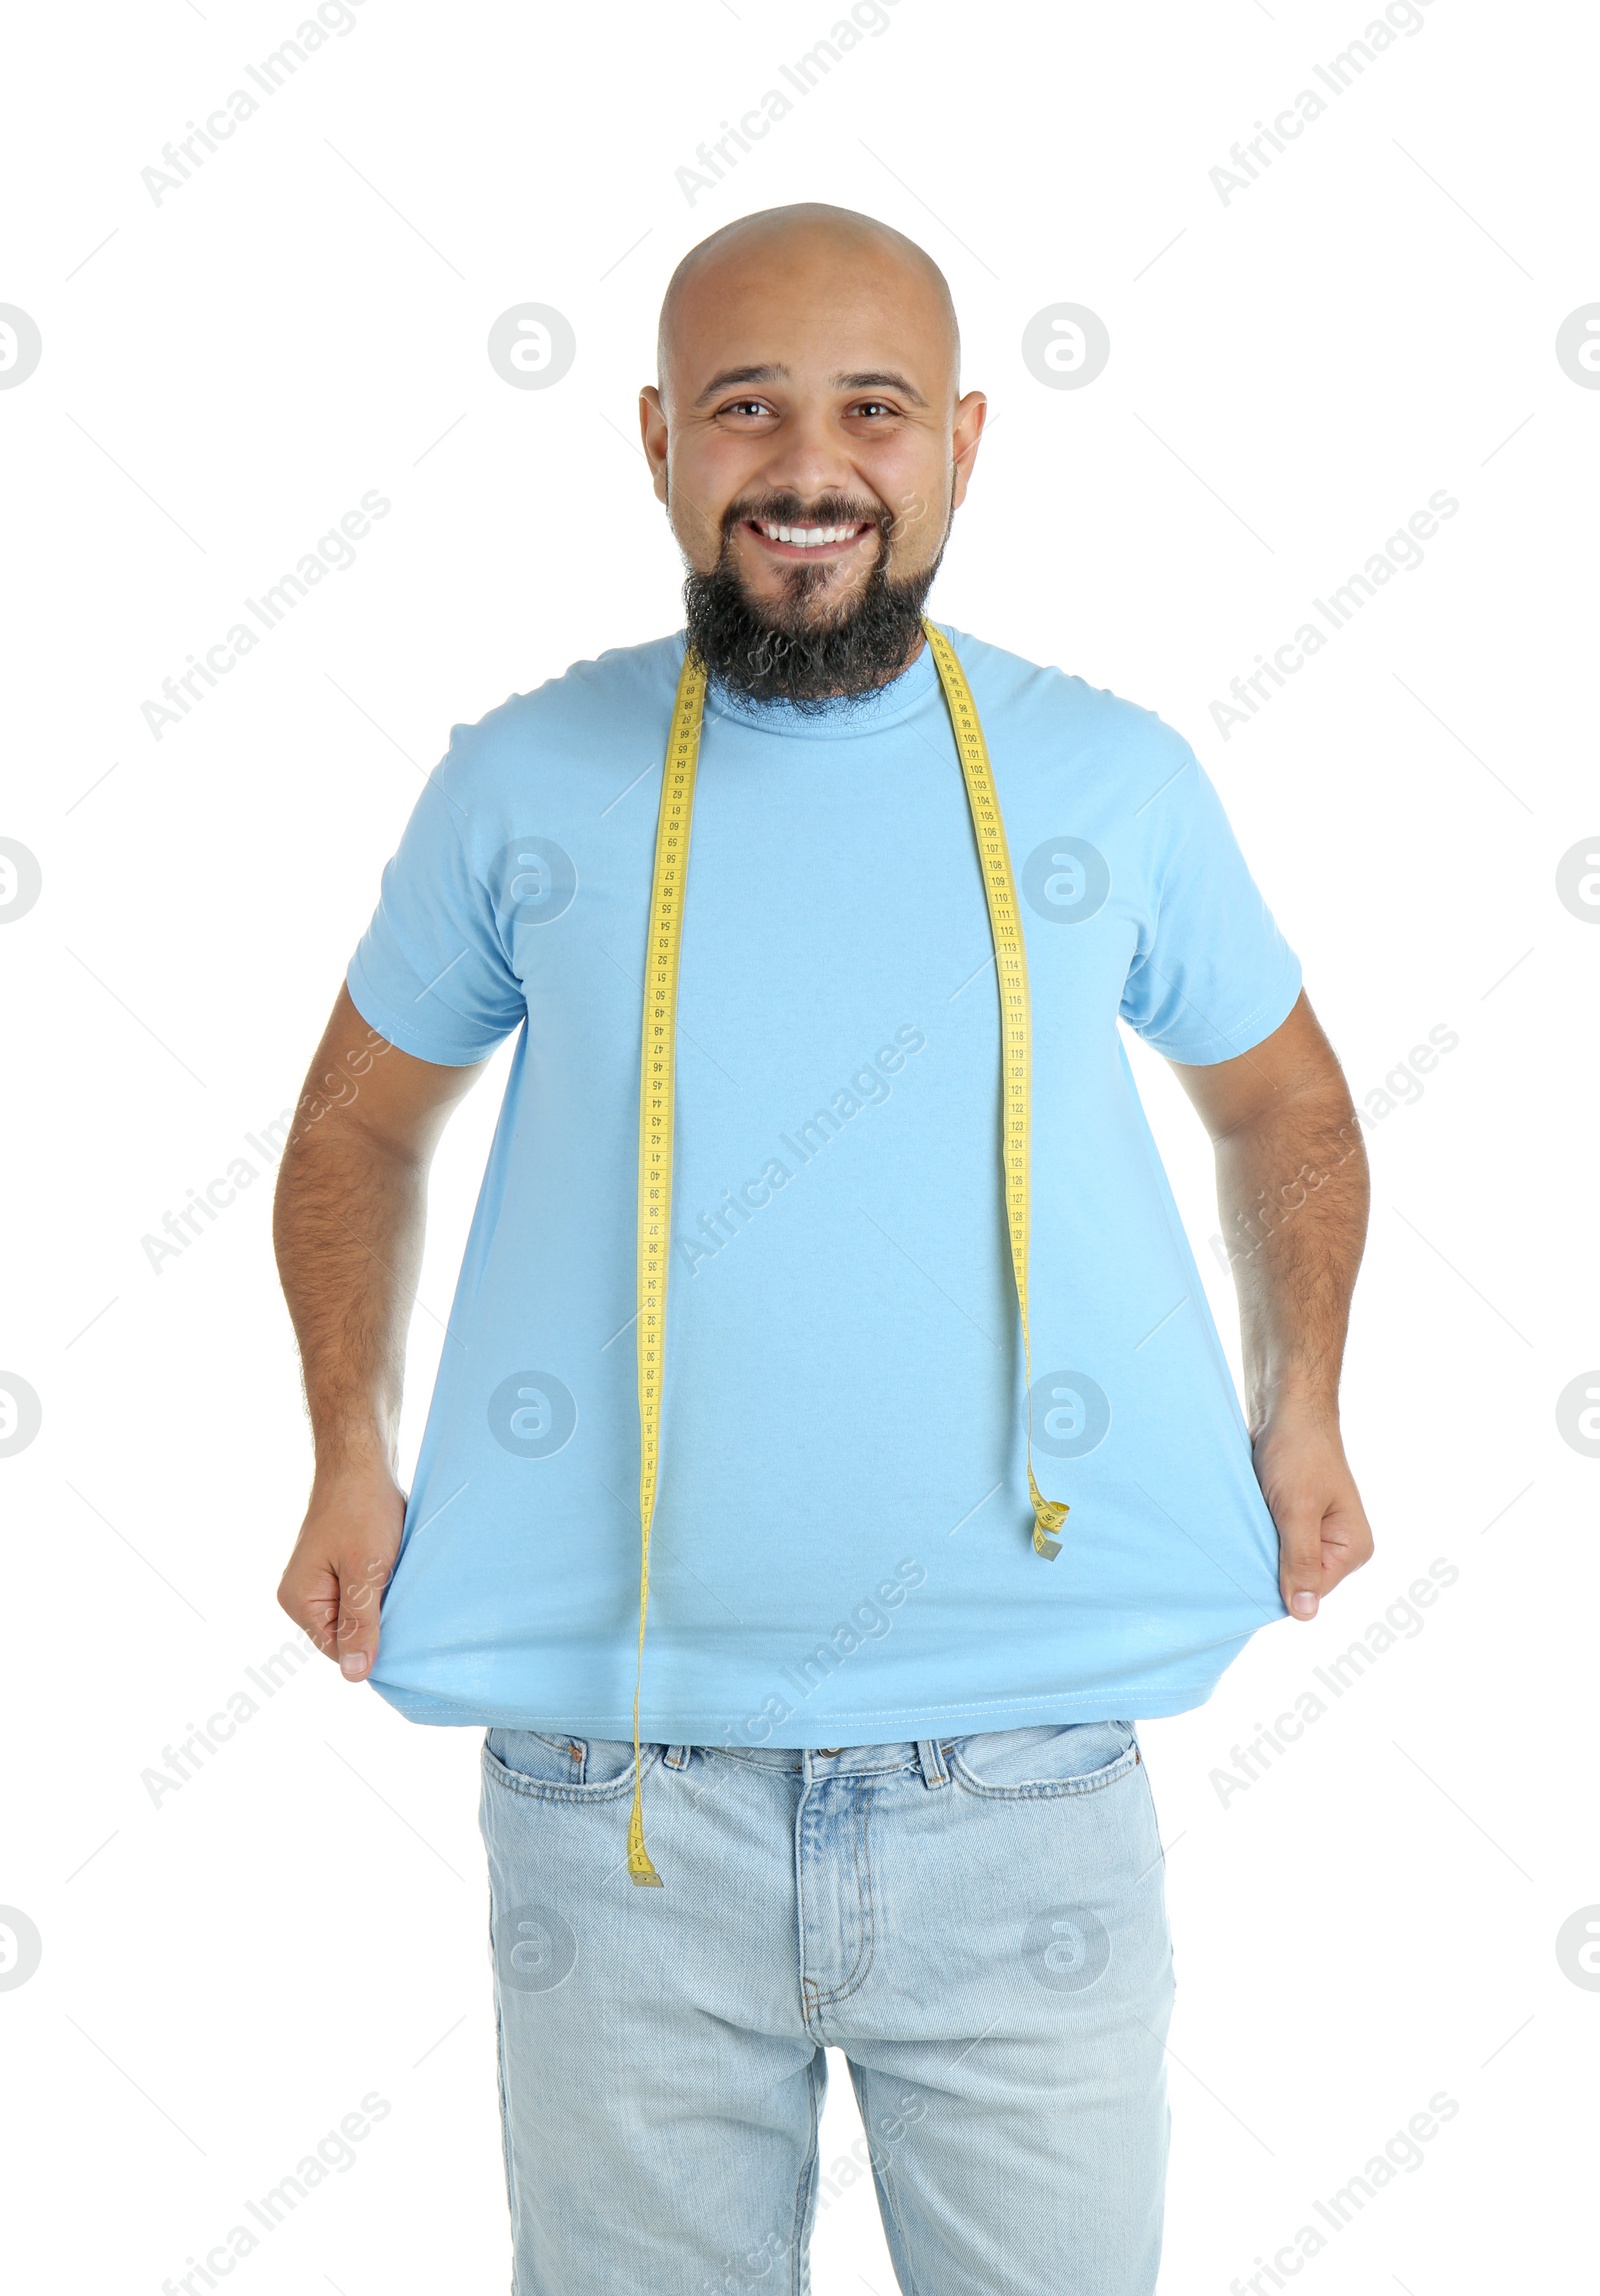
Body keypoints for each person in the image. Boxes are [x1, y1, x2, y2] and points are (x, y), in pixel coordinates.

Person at [273, 202, 1373, 2296]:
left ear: (959, 440)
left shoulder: (1109, 777)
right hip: (613, 1787)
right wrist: (347, 1437)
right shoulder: (522, 777)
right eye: (742, 408)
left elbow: (1281, 1105)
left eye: (869, 410)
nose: (805, 468)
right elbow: (356, 1118)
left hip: (1028, 1772)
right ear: (654, 442)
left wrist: (1296, 1403)